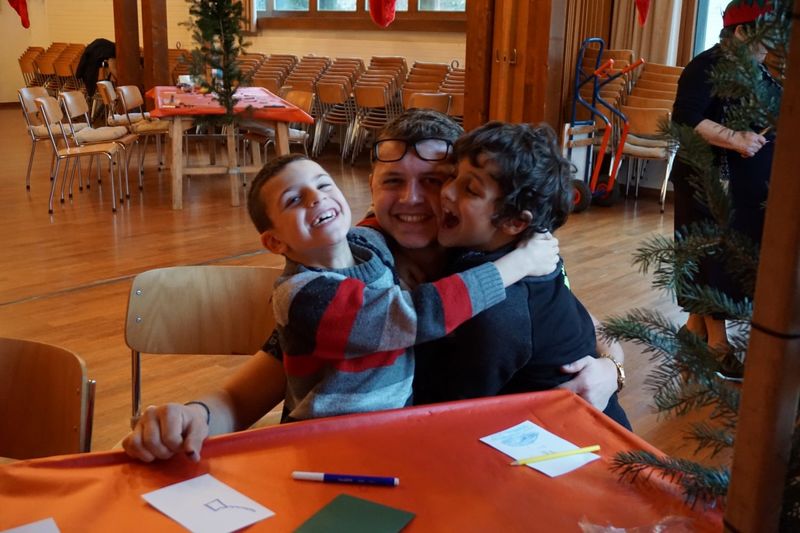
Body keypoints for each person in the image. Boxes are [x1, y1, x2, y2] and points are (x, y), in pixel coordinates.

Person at [123, 110, 618, 462]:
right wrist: (190, 416)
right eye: (393, 182)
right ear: (370, 189)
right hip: (369, 462)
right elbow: (246, 394)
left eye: (438, 180)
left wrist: (611, 370)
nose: (416, 199)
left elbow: (584, 326)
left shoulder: (502, 255)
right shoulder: (347, 269)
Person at [249, 153, 554, 421]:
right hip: (328, 436)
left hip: (393, 426)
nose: (316, 198)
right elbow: (411, 315)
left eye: (324, 185)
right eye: (293, 199)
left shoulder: (369, 247)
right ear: (274, 241)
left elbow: (380, 220)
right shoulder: (304, 294)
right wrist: (519, 263)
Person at [410, 121, 630, 428]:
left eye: (470, 189)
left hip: (574, 445)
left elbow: (452, 412)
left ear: (514, 222)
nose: (447, 191)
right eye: (451, 176)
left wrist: (614, 368)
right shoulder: (524, 253)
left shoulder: (499, 314)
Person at [669, 0, 779, 350]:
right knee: (711, 259)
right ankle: (719, 345)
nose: (772, 43)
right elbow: (684, 118)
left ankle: (694, 331)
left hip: (746, 191)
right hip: (707, 182)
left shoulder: (758, 71)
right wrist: (735, 138)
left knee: (723, 261)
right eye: (765, 34)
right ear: (741, 31)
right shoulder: (706, 66)